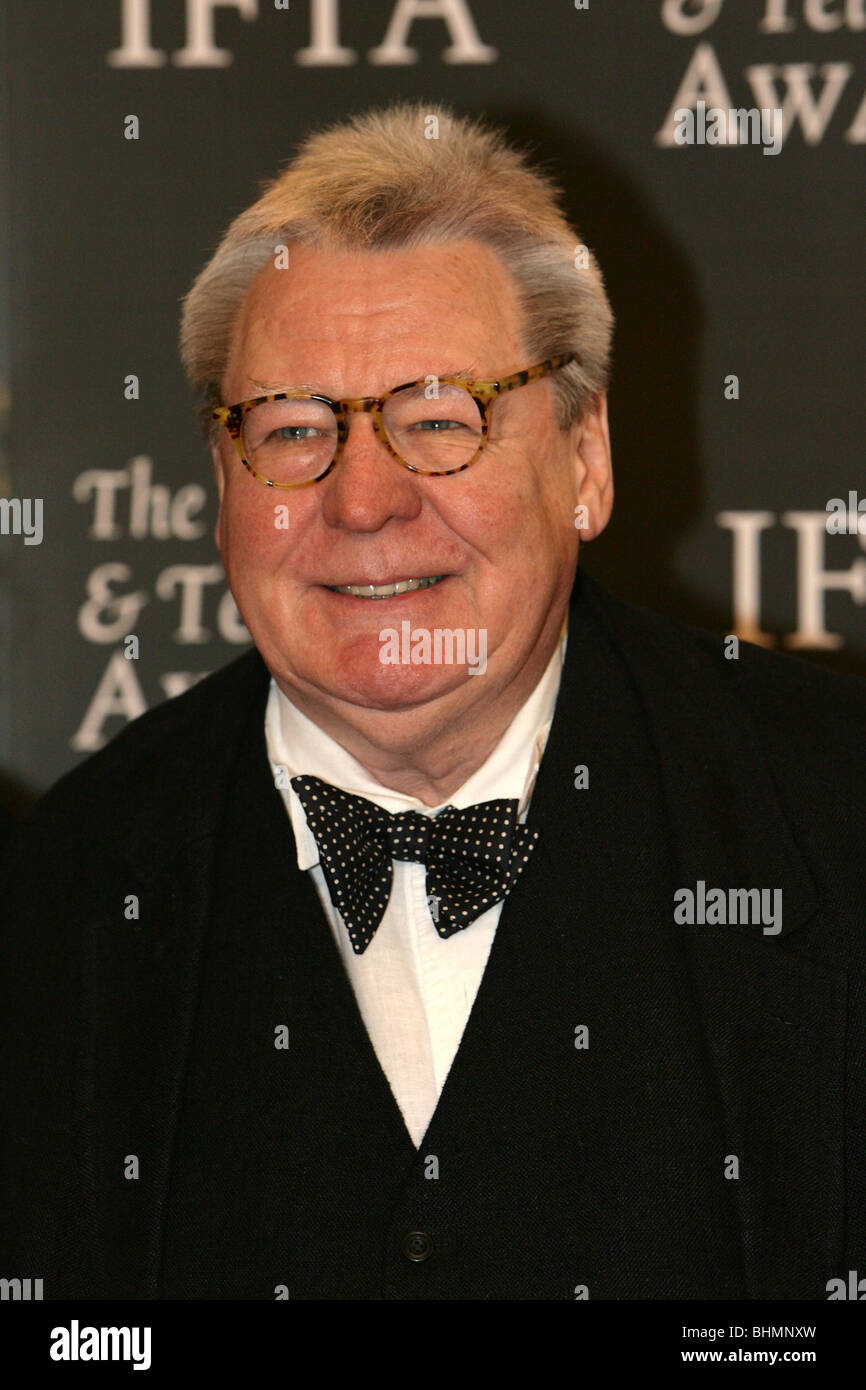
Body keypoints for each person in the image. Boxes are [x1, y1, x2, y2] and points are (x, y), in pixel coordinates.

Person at [1, 102, 864, 1301]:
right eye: (293, 428)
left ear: (586, 457)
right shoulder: (54, 898)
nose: (363, 500)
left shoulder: (833, 813)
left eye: (438, 419)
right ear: (219, 480)